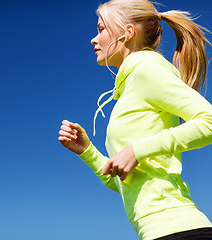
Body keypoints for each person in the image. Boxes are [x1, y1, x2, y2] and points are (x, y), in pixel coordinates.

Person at [58, 0, 212, 239]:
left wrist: (137, 150)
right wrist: (87, 151)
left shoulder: (146, 71)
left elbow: (208, 121)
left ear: (127, 33)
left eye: (101, 29)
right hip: (157, 232)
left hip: (179, 229)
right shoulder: (130, 86)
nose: (93, 39)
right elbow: (124, 182)